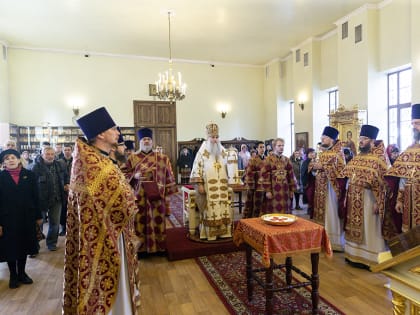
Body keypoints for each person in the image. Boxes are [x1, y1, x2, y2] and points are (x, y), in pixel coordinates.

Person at [63, 107, 141, 314]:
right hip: (102, 235)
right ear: (101, 134)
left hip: (113, 230)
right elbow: (121, 199)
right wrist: (130, 201)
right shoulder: (93, 163)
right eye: (114, 129)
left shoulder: (100, 159)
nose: (118, 133)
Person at [341, 124, 389, 268]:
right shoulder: (358, 157)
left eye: (365, 138)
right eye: (360, 138)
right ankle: (353, 255)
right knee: (354, 225)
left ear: (373, 141)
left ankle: (372, 258)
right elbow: (348, 176)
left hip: (369, 199)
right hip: (354, 197)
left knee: (369, 229)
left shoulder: (380, 159)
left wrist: (378, 202)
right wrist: (346, 197)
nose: (361, 141)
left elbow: (386, 183)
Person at [124, 127, 177, 253]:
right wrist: (134, 176)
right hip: (139, 197)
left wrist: (168, 195)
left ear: (152, 141)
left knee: (157, 221)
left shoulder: (162, 158)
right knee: (140, 222)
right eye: (144, 139)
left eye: (148, 139)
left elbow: (169, 175)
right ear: (140, 141)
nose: (146, 141)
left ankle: (159, 247)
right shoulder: (132, 158)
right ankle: (141, 249)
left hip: (157, 197)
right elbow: (123, 174)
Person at [0, 149, 42, 289]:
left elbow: (35, 196)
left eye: (13, 157)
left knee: (24, 245)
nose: (11, 160)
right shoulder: (1, 177)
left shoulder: (29, 175)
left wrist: (38, 216)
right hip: (7, 219)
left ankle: (22, 273)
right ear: (3, 162)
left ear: (19, 159)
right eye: (7, 158)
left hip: (26, 217)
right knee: (11, 247)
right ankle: (13, 275)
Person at [190, 123, 234, 240]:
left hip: (222, 188)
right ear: (208, 137)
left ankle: (224, 233)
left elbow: (230, 166)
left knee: (223, 210)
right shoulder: (202, 152)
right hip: (208, 188)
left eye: (217, 137)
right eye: (212, 137)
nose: (215, 140)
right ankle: (209, 235)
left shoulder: (223, 151)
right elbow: (196, 168)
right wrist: (199, 184)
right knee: (209, 210)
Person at [386, 103, 420, 232]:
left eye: (417, 123)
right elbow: (403, 178)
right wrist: (399, 200)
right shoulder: (409, 150)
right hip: (409, 202)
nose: (414, 127)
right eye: (412, 124)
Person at [311, 126, 346, 251]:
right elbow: (313, 165)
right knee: (321, 213)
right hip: (320, 187)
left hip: (331, 189)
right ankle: (321, 240)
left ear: (331, 139)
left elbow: (341, 171)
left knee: (331, 213)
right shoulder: (322, 152)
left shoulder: (338, 153)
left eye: (324, 138)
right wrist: (315, 168)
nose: (321, 139)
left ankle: (333, 242)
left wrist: (323, 166)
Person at [28, 146, 69, 251]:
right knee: (38, 224)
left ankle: (51, 243)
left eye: (52, 154)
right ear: (42, 155)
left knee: (55, 223)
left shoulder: (60, 165)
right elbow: (31, 185)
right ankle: (34, 245)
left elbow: (66, 176)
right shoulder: (34, 167)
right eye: (47, 154)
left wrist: (67, 183)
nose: (50, 156)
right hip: (40, 200)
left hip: (57, 198)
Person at [260, 138, 297, 214]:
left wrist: (292, 190)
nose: (281, 147)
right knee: (273, 211)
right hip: (273, 191)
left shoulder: (287, 160)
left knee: (285, 210)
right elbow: (264, 175)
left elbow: (291, 175)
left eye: (283, 145)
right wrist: (267, 191)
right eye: (279, 145)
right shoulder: (268, 160)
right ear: (274, 147)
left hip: (285, 190)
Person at [243, 141, 265, 218]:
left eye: (263, 147)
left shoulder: (267, 159)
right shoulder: (252, 160)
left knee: (264, 207)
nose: (262, 149)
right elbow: (249, 173)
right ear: (257, 149)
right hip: (256, 187)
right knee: (254, 206)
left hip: (266, 187)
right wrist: (251, 187)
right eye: (260, 147)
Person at [58, 144, 73, 236]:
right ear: (63, 151)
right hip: (63, 188)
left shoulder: (76, 160)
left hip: (74, 187)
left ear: (71, 151)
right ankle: (64, 228)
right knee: (63, 209)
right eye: (65, 150)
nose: (67, 151)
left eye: (69, 149)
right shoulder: (59, 162)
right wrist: (64, 185)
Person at [301, 147, 316, 218]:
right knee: (310, 197)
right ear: (307, 154)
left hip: (315, 182)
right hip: (309, 182)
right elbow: (303, 173)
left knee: (314, 197)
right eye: (310, 153)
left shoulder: (315, 161)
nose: (312, 154)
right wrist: (305, 183)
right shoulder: (305, 162)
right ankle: (310, 211)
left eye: (313, 153)